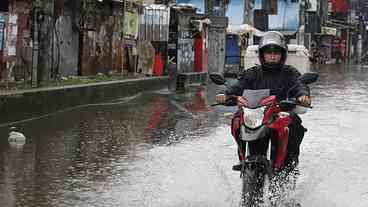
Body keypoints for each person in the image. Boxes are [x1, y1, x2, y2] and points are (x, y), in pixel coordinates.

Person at [215, 31, 311, 171]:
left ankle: (289, 167)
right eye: (268, 52)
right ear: (262, 54)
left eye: (276, 53)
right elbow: (236, 87)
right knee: (238, 119)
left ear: (282, 55)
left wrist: (303, 96)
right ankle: (244, 161)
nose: (272, 56)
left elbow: (300, 85)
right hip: (258, 117)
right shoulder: (252, 73)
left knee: (294, 125)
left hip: (281, 114)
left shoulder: (290, 73)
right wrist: (223, 94)